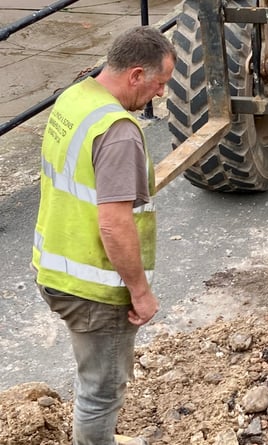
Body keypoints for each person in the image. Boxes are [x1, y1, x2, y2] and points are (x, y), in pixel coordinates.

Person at [31, 26, 176, 445]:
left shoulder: (77, 98)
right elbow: (114, 222)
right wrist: (141, 291)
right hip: (94, 286)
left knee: (93, 372)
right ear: (135, 75)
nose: (161, 94)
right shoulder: (119, 132)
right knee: (101, 389)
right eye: (159, 84)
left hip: (56, 266)